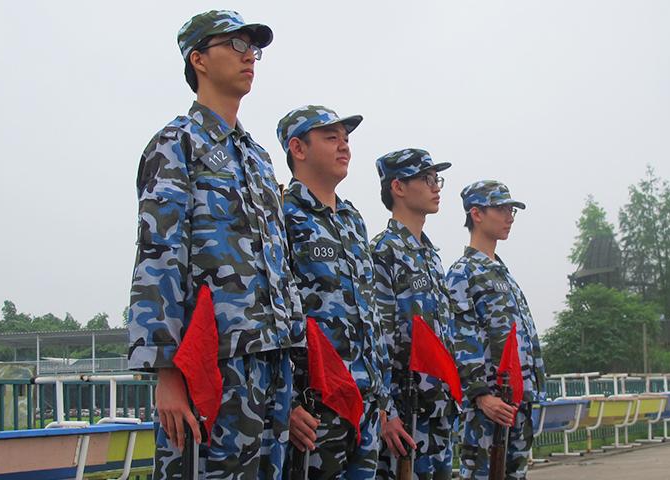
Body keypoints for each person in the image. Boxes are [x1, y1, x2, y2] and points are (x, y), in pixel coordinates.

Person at [127, 10, 313, 479]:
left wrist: (290, 366)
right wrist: (166, 373)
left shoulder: (257, 158)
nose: (249, 55)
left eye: (253, 48)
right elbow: (158, 256)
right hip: (211, 364)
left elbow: (279, 264)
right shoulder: (177, 143)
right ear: (198, 59)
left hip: (270, 363)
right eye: (235, 45)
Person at [278, 105, 386, 479]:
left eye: (346, 139)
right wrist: (287, 402)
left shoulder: (352, 220)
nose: (345, 147)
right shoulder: (281, 215)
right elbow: (274, 311)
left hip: (365, 404)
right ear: (298, 148)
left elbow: (369, 313)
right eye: (331, 138)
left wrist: (381, 396)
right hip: (316, 407)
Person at [445, 180, 547, 480]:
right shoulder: (463, 272)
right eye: (501, 209)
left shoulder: (501, 272)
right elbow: (460, 336)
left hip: (518, 399)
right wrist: (480, 395)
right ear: (476, 214)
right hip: (489, 404)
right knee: (480, 474)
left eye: (511, 210)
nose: (509, 216)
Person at [371, 149, 459, 480]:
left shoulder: (430, 257)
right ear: (398, 187)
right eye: (426, 178)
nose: (436, 186)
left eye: (437, 179)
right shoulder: (384, 252)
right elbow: (379, 339)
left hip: (438, 411)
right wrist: (385, 411)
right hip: (405, 416)